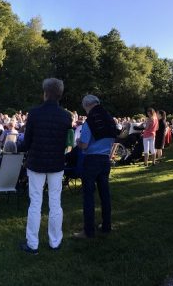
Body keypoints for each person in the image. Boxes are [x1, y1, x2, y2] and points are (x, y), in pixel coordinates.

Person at [18, 78, 72, 255]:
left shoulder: (35, 113)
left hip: (37, 163)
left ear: (45, 93)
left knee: (35, 203)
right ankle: (55, 242)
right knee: (55, 203)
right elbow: (66, 142)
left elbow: (27, 143)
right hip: (56, 163)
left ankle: (33, 244)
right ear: (59, 94)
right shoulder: (66, 116)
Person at [74, 95, 118, 239]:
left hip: (91, 160)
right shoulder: (109, 120)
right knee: (105, 194)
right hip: (105, 159)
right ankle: (107, 225)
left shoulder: (90, 122)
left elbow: (85, 145)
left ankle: (88, 231)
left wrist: (78, 142)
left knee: (88, 196)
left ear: (87, 105)